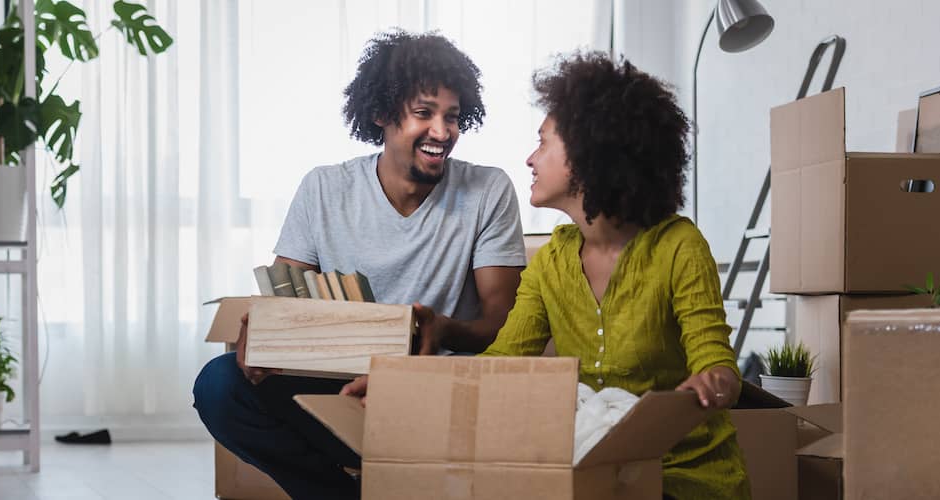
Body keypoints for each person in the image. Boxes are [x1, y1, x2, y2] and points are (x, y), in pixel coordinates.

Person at [192, 29, 527, 500]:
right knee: (219, 383)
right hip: (338, 390)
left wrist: (442, 329)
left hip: (432, 389)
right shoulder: (325, 189)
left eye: (452, 117)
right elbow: (283, 298)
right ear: (381, 114)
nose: (442, 132)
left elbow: (501, 322)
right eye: (424, 113)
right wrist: (262, 336)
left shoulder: (487, 191)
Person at [479, 51, 751, 498]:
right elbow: (502, 361)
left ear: (591, 150)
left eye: (543, 142)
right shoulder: (550, 263)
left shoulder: (678, 245)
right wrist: (403, 386)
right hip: (598, 473)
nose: (530, 158)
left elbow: (716, 361)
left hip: (683, 476)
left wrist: (713, 382)